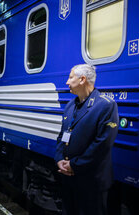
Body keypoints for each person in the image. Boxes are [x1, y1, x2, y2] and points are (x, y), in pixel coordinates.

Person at [54, 64, 119, 215]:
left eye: (70, 78)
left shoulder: (106, 105)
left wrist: (74, 165)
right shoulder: (71, 105)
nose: (67, 82)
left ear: (82, 79)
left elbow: (102, 145)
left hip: (91, 182)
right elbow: (62, 136)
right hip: (69, 178)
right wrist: (59, 159)